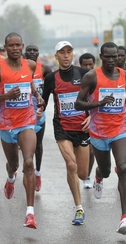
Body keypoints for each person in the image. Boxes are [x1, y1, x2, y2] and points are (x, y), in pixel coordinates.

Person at [75, 42, 126, 235]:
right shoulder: (91, 76)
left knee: (122, 168)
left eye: (115, 57)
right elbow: (79, 104)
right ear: (101, 57)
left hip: (121, 129)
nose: (112, 60)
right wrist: (99, 103)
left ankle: (124, 219)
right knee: (105, 171)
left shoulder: (125, 75)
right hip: (98, 133)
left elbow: (125, 97)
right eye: (108, 57)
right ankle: (98, 176)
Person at [0, 32, 44, 229]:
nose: (15, 48)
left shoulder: (30, 65)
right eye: (11, 46)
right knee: (14, 164)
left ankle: (30, 213)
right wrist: (5, 96)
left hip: (27, 121)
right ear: (5, 48)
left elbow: (29, 83)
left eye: (18, 45)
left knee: (28, 162)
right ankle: (10, 179)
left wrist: (37, 96)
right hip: (7, 124)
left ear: (22, 46)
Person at [42, 41, 90, 225]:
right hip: (62, 127)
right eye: (62, 52)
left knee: (83, 173)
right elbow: (44, 102)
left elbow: (95, 98)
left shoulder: (84, 74)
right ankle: (79, 208)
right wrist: (39, 110)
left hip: (82, 128)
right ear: (56, 56)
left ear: (73, 54)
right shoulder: (51, 79)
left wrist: (91, 117)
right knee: (71, 165)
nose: (66, 55)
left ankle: (83, 183)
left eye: (69, 52)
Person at [24, 44, 52, 192]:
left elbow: (51, 88)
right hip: (22, 114)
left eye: (35, 50)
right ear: (24, 53)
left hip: (39, 112)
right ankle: (24, 167)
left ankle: (38, 173)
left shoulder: (45, 69)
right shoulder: (19, 68)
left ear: (38, 54)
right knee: (23, 145)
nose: (32, 52)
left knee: (38, 145)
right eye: (29, 50)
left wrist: (43, 105)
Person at [78, 52, 96, 190]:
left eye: (91, 64)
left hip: (94, 119)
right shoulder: (78, 80)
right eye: (85, 65)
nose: (88, 67)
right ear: (80, 65)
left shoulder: (97, 78)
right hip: (77, 119)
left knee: (91, 151)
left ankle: (88, 176)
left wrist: (91, 116)